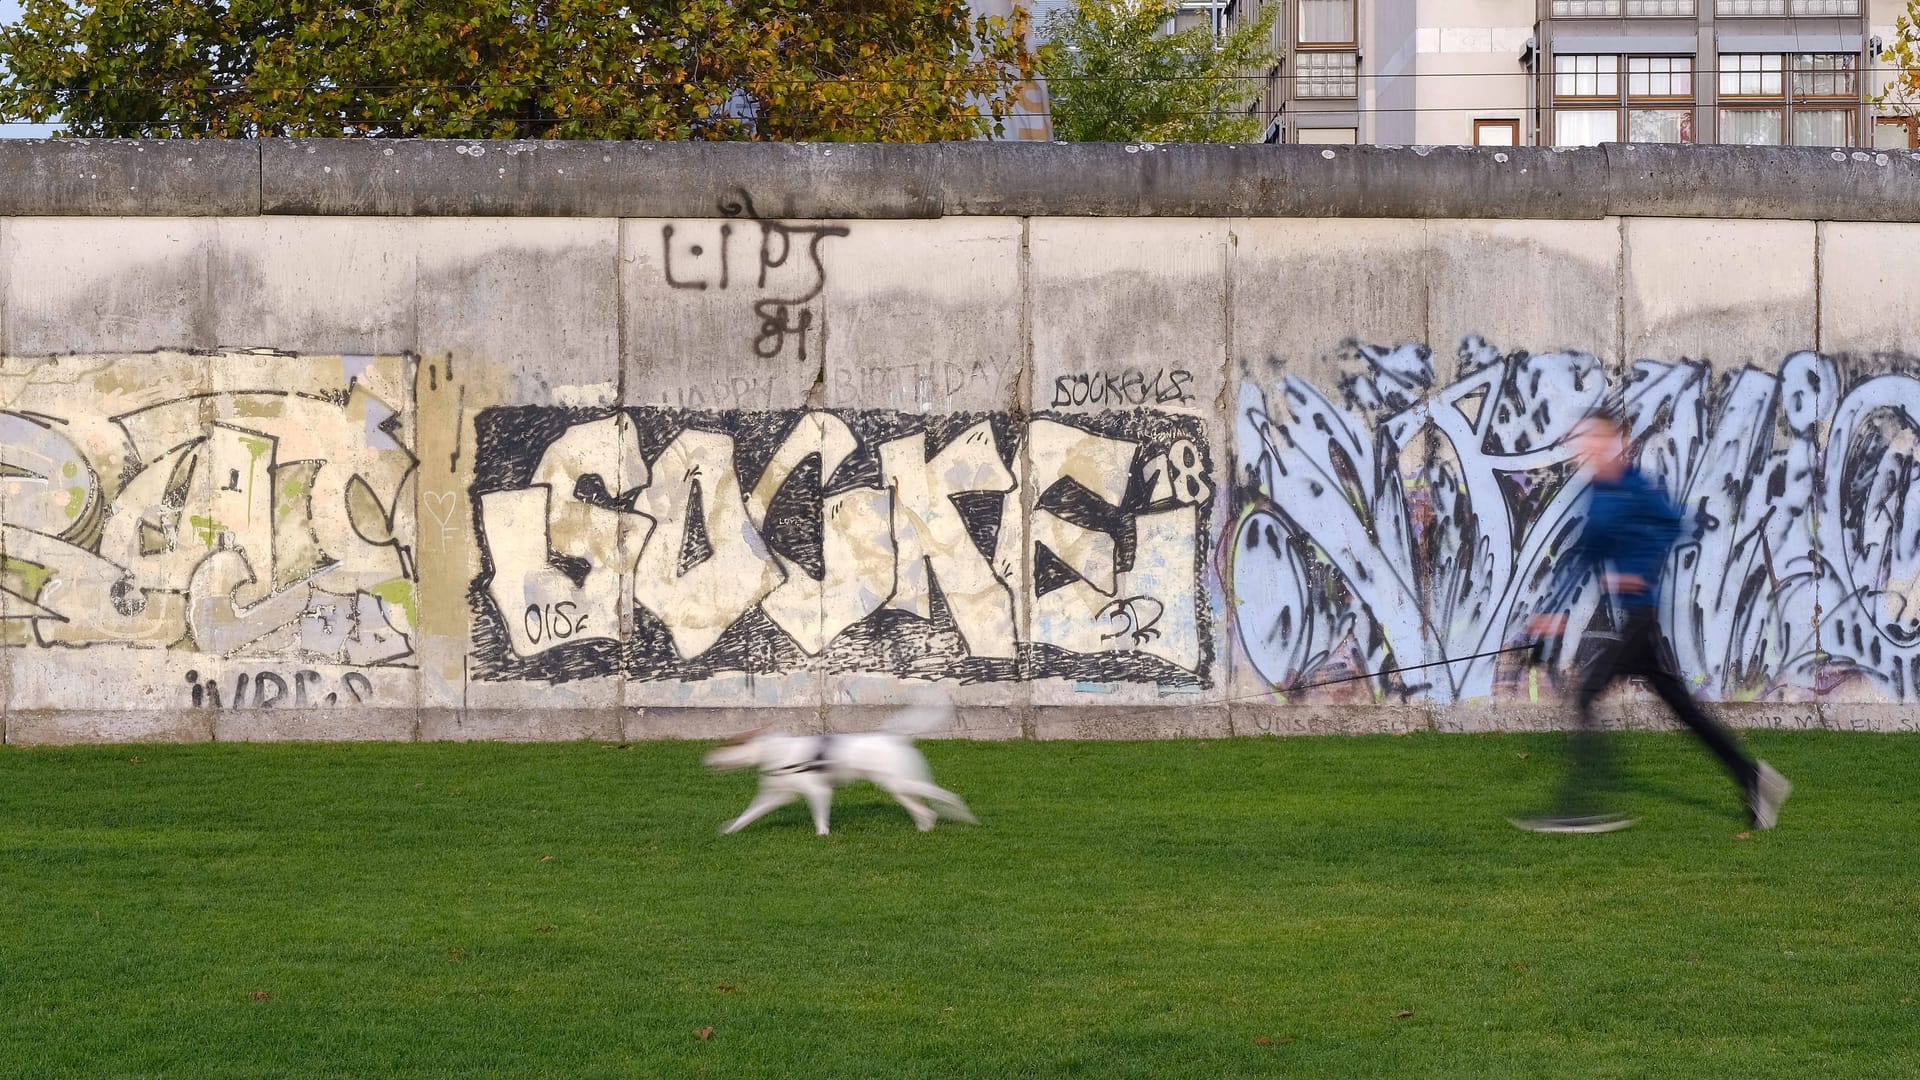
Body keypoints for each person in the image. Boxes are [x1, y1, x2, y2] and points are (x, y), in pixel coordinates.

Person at [1517, 407, 1791, 834]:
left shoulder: (1633, 487)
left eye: (1589, 439)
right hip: (1636, 622)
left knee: (1586, 695)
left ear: (1612, 442)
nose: (1579, 448)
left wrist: (1637, 571)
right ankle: (1752, 776)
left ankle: (1584, 806)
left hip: (1640, 615)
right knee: (1682, 709)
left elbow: (1672, 525)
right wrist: (1553, 611)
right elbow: (1586, 556)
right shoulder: (1600, 491)